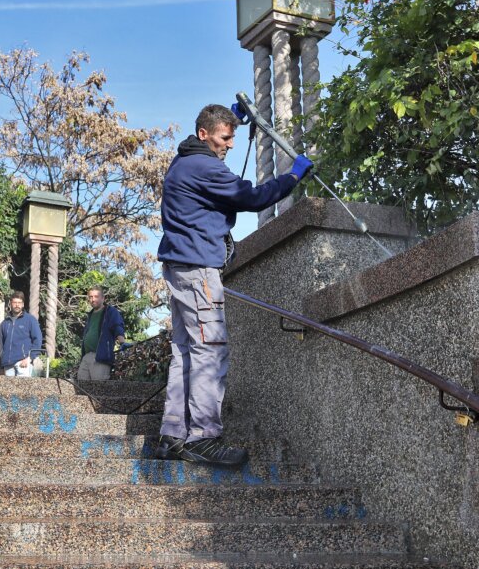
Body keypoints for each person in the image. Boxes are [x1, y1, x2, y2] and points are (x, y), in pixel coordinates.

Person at [154, 104, 313, 467]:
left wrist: (234, 115)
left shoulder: (184, 161)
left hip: (181, 267)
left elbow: (213, 126)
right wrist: (292, 177)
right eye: (225, 137)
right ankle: (204, 438)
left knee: (185, 352)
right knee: (210, 352)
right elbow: (252, 198)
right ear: (204, 135)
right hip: (198, 270)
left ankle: (173, 435)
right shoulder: (204, 167)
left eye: (233, 137)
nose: (230, 145)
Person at [77, 287, 125, 381]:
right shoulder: (90, 314)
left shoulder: (110, 311)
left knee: (98, 389)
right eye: (90, 297)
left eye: (96, 296)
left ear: (103, 298)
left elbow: (117, 326)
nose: (93, 299)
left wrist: (122, 342)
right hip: (86, 356)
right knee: (81, 387)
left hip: (101, 356)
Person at [0, 291, 43, 377]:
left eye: (19, 303)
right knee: (9, 390)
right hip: (8, 364)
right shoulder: (4, 323)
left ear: (23, 305)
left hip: (23, 362)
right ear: (10, 304)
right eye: (14, 302)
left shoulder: (30, 320)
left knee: (23, 389)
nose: (17, 305)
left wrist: (29, 358)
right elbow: (2, 346)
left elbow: (38, 339)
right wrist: (1, 365)